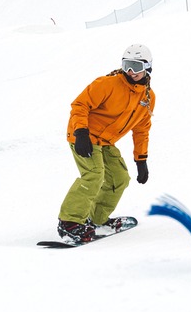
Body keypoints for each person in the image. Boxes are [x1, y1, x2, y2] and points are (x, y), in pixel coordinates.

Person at [57, 44, 156, 243]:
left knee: (119, 178)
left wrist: (141, 160)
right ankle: (69, 222)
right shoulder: (108, 84)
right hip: (83, 136)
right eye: (127, 65)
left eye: (136, 66)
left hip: (105, 141)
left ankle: (97, 219)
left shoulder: (147, 97)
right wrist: (81, 132)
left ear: (147, 68)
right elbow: (80, 104)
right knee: (94, 175)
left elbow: (141, 129)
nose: (130, 71)